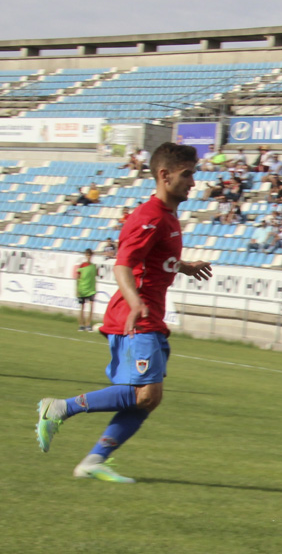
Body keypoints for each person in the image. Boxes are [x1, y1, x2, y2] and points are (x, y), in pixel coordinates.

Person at [35, 143, 213, 483]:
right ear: (165, 175)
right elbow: (123, 265)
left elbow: (153, 260)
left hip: (150, 315)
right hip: (136, 315)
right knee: (145, 394)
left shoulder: (168, 217)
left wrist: (185, 267)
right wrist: (135, 303)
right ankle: (58, 408)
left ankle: (93, 461)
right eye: (188, 174)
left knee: (146, 399)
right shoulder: (148, 217)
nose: (193, 182)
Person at [74, 249, 97, 331]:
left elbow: (95, 277)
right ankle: (81, 324)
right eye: (87, 255)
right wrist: (77, 289)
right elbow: (78, 277)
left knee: (91, 306)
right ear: (85, 255)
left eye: (90, 255)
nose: (89, 257)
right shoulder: (82, 265)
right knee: (82, 307)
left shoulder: (94, 266)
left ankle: (88, 324)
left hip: (91, 289)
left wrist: (95, 288)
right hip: (82, 289)